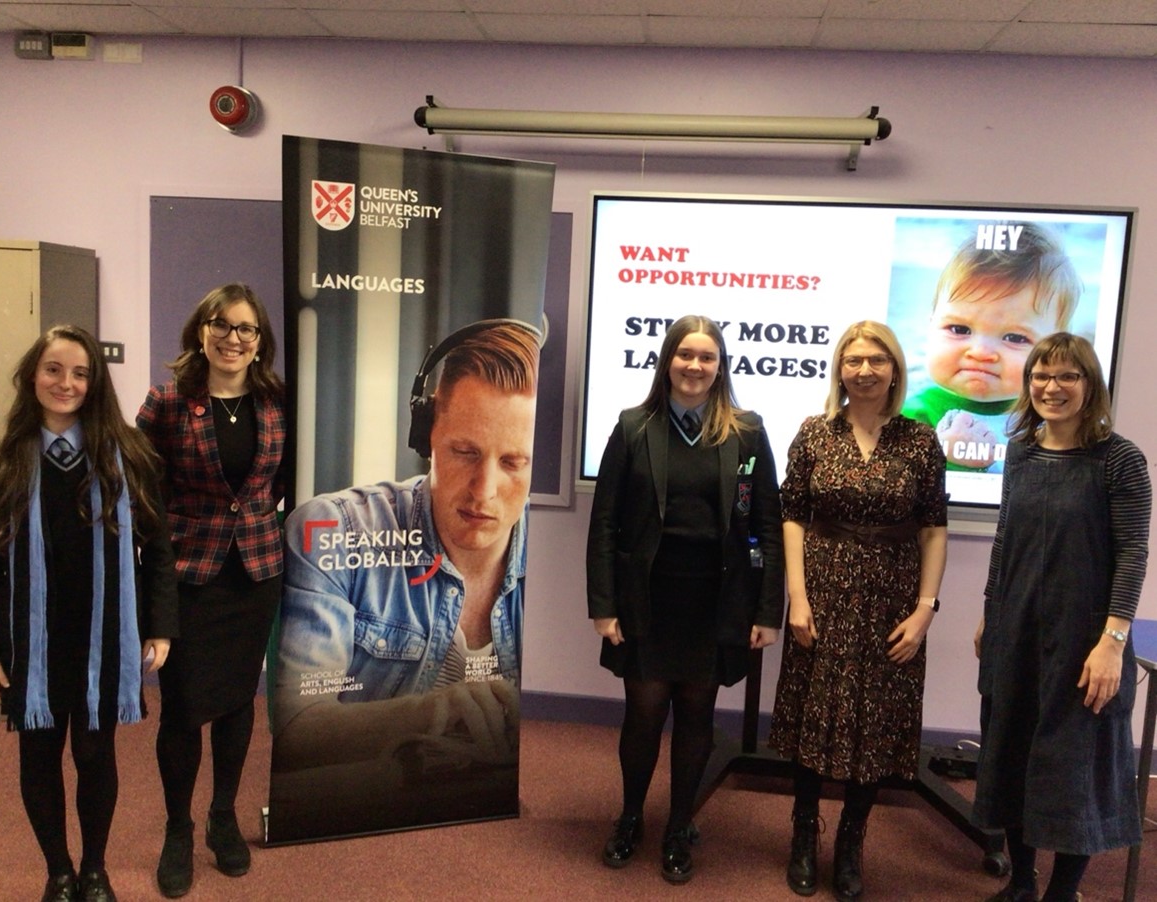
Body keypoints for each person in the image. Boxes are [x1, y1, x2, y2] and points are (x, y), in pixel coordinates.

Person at [270, 320, 539, 838]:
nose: (484, 490)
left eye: (513, 462)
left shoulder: (553, 554)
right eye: (465, 452)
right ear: (425, 434)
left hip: (497, 837)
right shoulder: (334, 531)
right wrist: (433, 711)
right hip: (361, 824)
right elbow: (296, 727)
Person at [0, 325, 177, 902]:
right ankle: (59, 872)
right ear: (32, 376)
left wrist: (159, 626)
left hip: (102, 637)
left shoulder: (128, 454)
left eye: (80, 373)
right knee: (38, 755)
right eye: (54, 369)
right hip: (29, 641)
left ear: (95, 382)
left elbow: (158, 550)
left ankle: (94, 870)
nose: (66, 383)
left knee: (94, 754)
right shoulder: (0, 458)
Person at [586, 314, 784, 885]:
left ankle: (678, 826)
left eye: (707, 357)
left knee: (697, 715)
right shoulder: (633, 428)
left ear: (721, 367)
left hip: (716, 602)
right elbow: (604, 525)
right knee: (644, 714)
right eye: (685, 354)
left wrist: (766, 611)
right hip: (647, 600)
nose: (695, 366)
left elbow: (767, 526)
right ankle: (630, 817)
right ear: (667, 361)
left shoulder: (746, 432)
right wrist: (604, 605)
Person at [768, 320, 948, 900]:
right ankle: (803, 835)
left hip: (893, 601)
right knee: (812, 717)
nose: (864, 370)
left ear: (895, 369)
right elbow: (792, 516)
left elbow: (934, 528)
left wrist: (925, 609)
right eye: (853, 360)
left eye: (877, 360)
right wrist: (796, 597)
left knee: (874, 725)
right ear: (839, 370)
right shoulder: (814, 432)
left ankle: (851, 843)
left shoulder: (920, 440)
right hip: (822, 594)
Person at [973, 332, 1150, 902]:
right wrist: (990, 612)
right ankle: (1022, 884)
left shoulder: (1119, 459)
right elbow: (1006, 539)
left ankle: (1061, 894)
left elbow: (1133, 553)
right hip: (1017, 629)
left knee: (1076, 772)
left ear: (1089, 384)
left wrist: (1112, 641)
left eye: (1067, 375)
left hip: (1085, 640)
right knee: (1012, 755)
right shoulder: (1021, 452)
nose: (1052, 387)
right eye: (1041, 375)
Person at [136, 284, 286, 898]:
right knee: (182, 709)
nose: (233, 337)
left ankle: (223, 816)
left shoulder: (276, 401)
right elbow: (142, 492)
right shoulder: (167, 402)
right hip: (188, 578)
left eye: (246, 328)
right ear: (201, 332)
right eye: (221, 324)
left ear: (260, 341)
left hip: (255, 576)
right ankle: (178, 829)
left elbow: (283, 481)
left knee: (236, 703)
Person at [901, 222, 1080, 471]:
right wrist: (950, 460)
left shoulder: (1057, 423)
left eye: (1015, 338)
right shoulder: (914, 415)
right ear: (931, 326)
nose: (981, 352)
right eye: (959, 329)